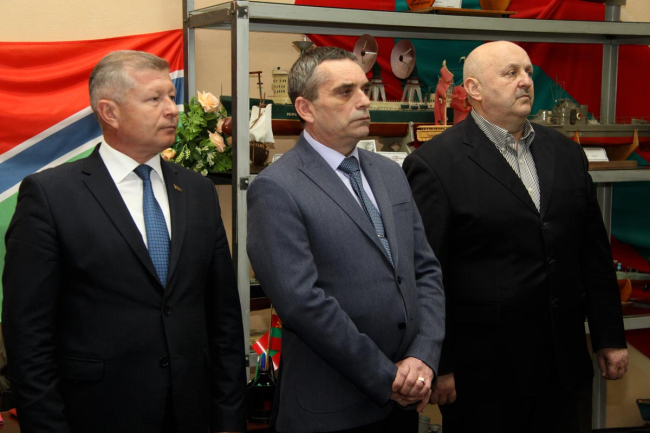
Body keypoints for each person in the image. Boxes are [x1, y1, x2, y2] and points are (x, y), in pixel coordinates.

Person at [2, 50, 246, 433]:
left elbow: (224, 318)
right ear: (109, 112)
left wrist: (230, 420)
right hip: (96, 415)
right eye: (154, 99)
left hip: (193, 413)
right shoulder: (51, 196)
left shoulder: (198, 191)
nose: (172, 109)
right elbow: (28, 336)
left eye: (171, 96)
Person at [403, 41, 628, 433]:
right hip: (485, 378)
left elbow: (592, 253)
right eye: (511, 73)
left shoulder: (566, 153)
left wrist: (609, 336)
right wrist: (441, 361)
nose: (526, 81)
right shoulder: (434, 164)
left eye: (527, 72)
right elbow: (427, 273)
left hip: (564, 369)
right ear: (473, 89)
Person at [246, 46, 445, 433]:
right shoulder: (277, 188)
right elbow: (303, 304)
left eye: (364, 89)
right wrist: (387, 376)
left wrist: (424, 356)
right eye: (345, 92)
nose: (364, 101)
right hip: (331, 410)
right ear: (305, 108)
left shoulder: (390, 173)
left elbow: (425, 270)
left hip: (405, 401)